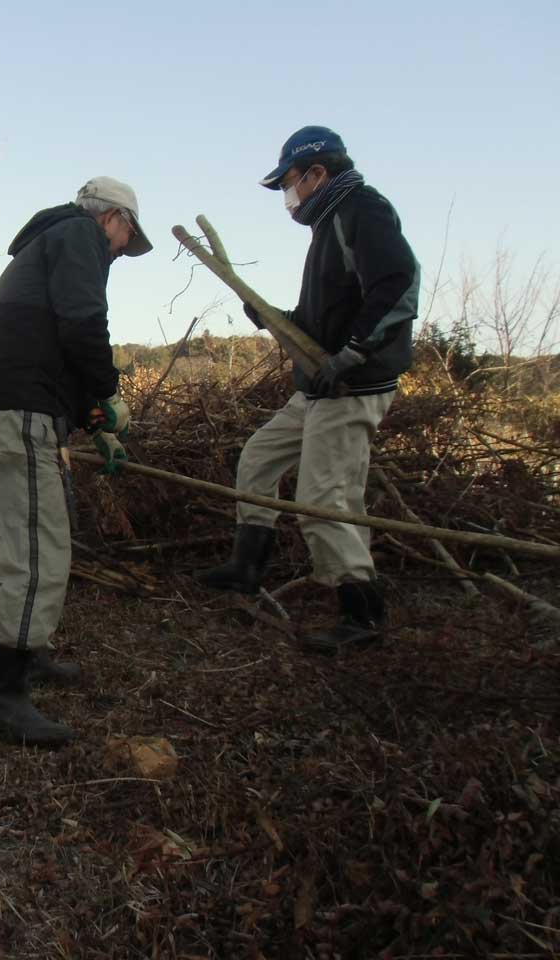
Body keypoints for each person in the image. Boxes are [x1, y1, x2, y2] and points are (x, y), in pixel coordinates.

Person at [198, 126, 419, 655]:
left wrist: (353, 353)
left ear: (318, 173)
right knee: (258, 458)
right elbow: (321, 320)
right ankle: (247, 567)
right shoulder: (328, 227)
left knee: (324, 498)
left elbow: (397, 284)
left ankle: (362, 614)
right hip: (320, 385)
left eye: (289, 184)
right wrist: (273, 316)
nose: (287, 197)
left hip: (352, 385)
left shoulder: (362, 210)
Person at [0, 176, 152, 747]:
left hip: (8, 410)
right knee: (34, 552)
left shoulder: (45, 247)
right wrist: (110, 390)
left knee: (27, 543)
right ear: (111, 218)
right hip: (20, 414)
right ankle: (3, 697)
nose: (121, 249)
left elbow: (54, 344)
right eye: (126, 237)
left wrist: (92, 417)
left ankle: (28, 651)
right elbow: (84, 325)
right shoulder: (78, 235)